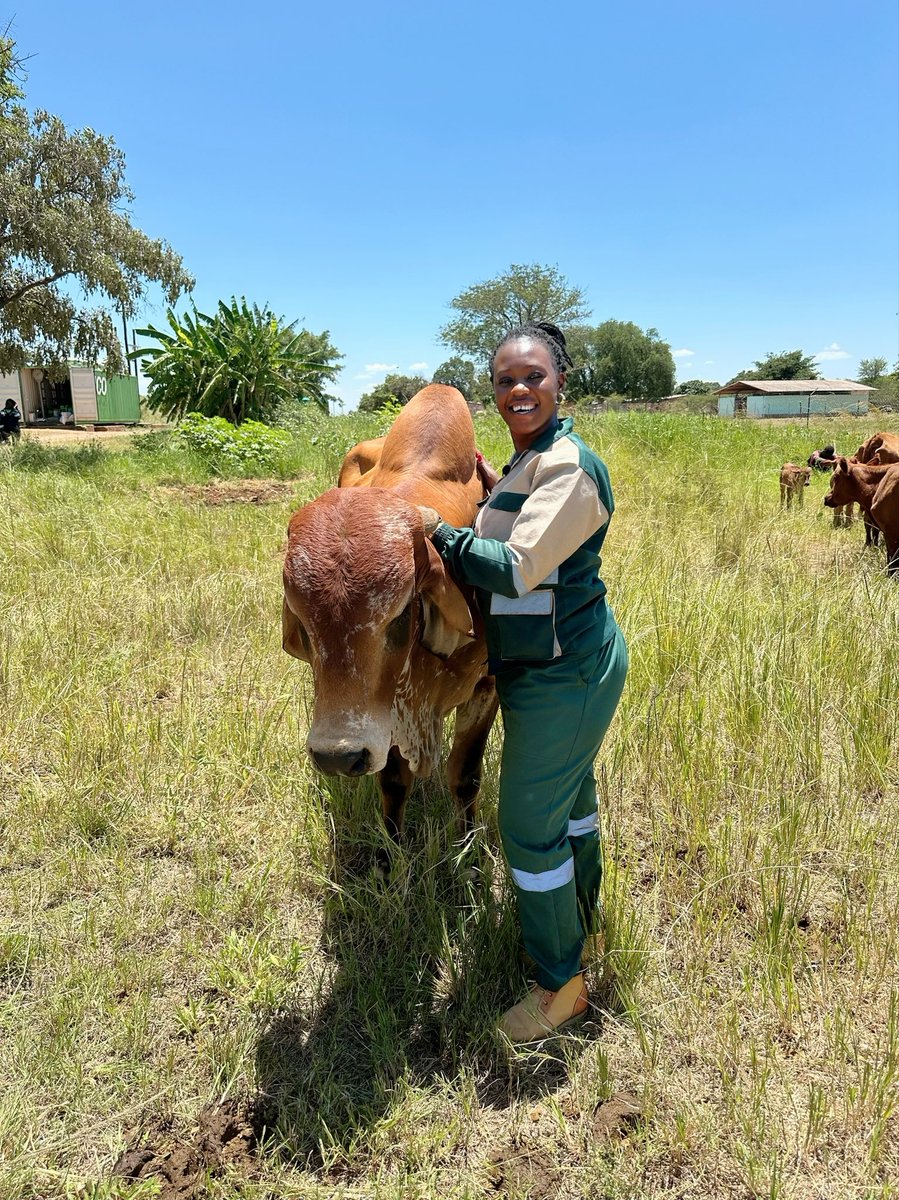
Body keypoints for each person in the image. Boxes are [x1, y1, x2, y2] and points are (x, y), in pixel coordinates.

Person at [425, 321, 628, 1043]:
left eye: (532, 376)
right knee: (571, 807)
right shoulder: (527, 460)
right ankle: (584, 929)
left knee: (526, 831)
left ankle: (559, 989)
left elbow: (514, 568)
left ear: (560, 380)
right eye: (505, 379)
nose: (518, 390)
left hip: (564, 672)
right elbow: (510, 521)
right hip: (542, 666)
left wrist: (440, 533)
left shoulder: (568, 466)